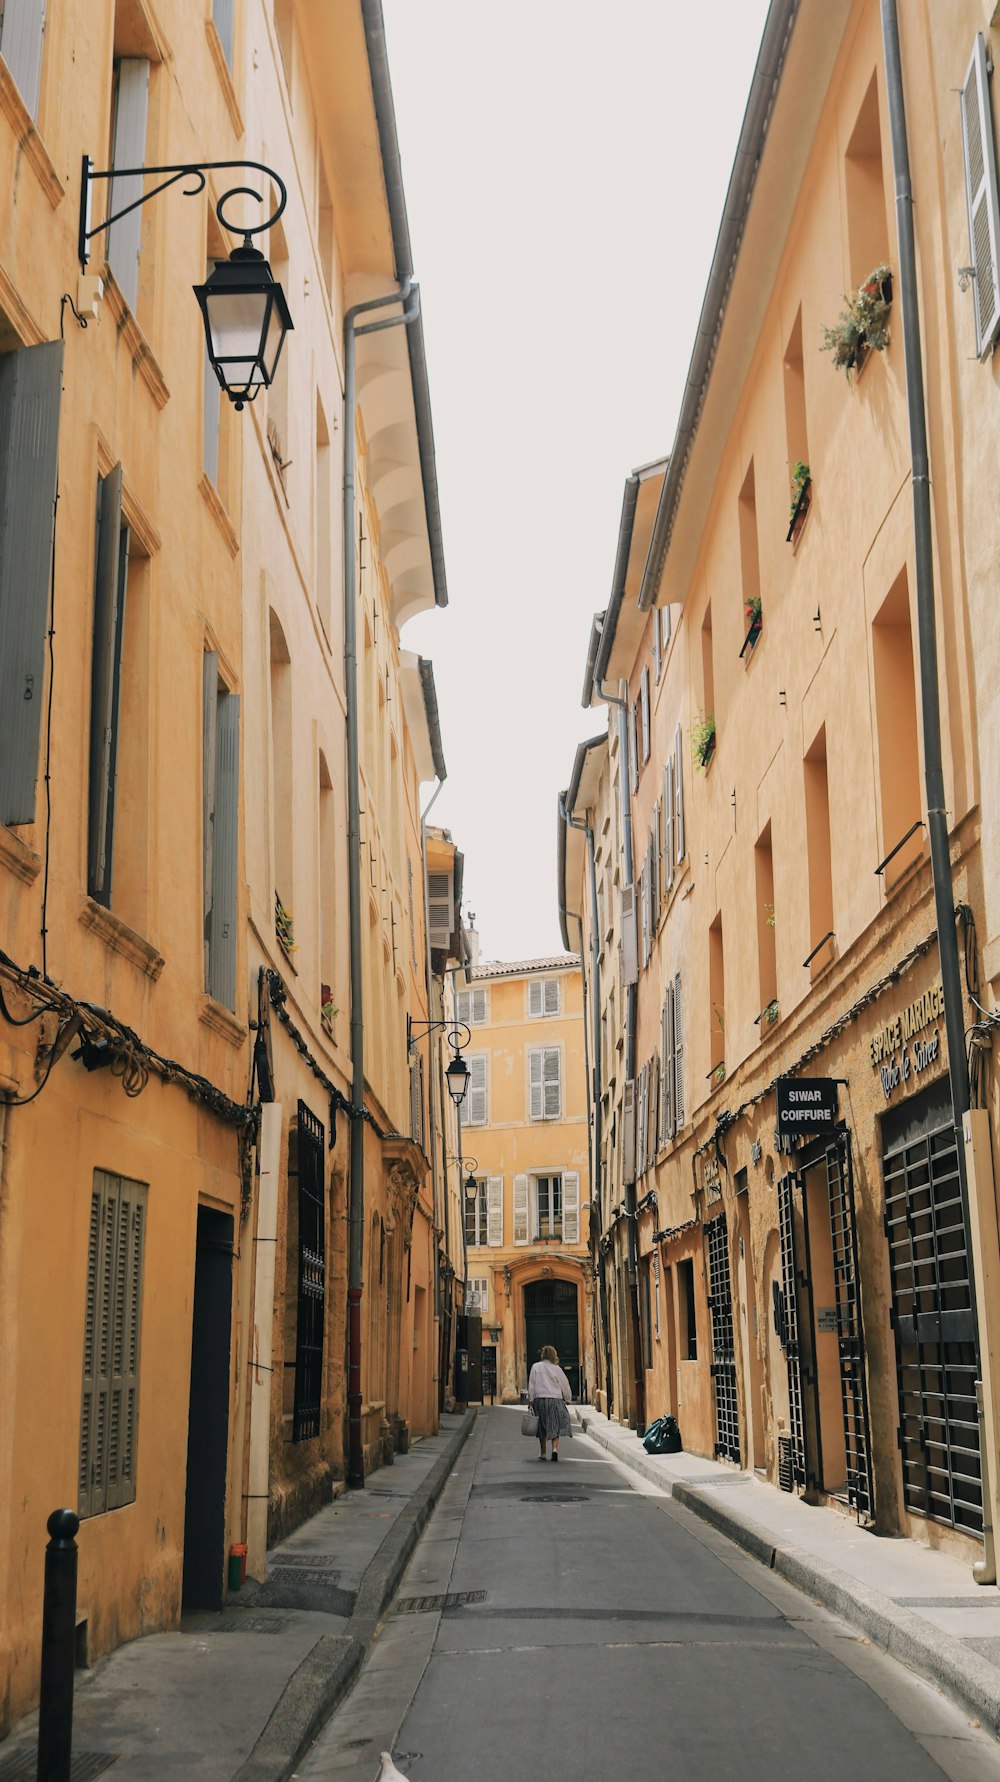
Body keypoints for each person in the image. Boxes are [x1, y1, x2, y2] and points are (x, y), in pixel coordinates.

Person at [527, 1345, 573, 1461]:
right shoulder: (556, 1368)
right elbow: (565, 1384)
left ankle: (543, 1453)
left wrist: (530, 1399)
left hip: (540, 1399)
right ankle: (555, 1449)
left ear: (542, 1355)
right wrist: (568, 1398)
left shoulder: (536, 1366)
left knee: (541, 1426)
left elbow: (531, 1384)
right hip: (555, 1399)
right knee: (555, 1424)